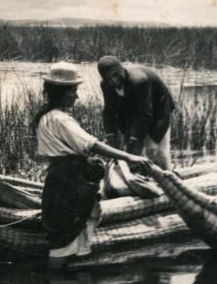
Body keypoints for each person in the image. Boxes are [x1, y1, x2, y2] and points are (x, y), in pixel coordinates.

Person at [31, 62, 151, 270]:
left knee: (67, 231)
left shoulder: (46, 117)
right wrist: (129, 157)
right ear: (61, 92)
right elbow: (92, 145)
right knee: (66, 236)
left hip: (59, 179)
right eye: (73, 91)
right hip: (70, 182)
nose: (76, 97)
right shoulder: (61, 120)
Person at [96, 56, 176, 170]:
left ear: (122, 70)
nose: (114, 80)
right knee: (131, 150)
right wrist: (111, 135)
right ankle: (142, 177)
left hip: (159, 111)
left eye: (116, 75)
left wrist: (138, 139)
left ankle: (168, 174)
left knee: (157, 150)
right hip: (134, 111)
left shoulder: (139, 81)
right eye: (109, 78)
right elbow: (109, 110)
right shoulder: (105, 84)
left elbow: (145, 114)